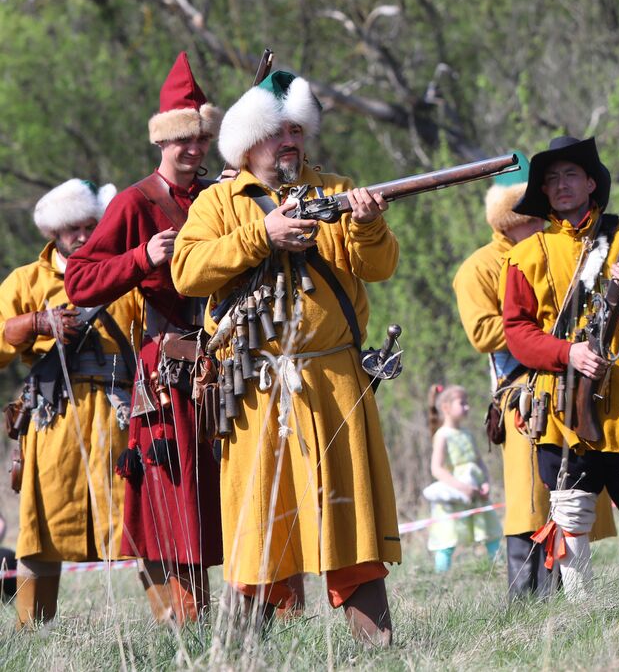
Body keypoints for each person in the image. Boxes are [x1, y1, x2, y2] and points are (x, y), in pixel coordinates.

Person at [171, 70, 400, 644]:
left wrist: (370, 225)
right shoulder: (219, 204)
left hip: (336, 378)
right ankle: (238, 650)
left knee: (351, 516)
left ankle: (378, 646)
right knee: (257, 521)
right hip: (254, 385)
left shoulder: (340, 188)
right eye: (277, 131)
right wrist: (262, 235)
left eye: (296, 128)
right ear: (248, 143)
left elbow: (379, 267)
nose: (289, 139)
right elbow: (186, 273)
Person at [64, 52, 223, 623]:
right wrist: (139, 256)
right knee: (171, 492)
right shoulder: (135, 202)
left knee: (224, 489)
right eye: (185, 140)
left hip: (226, 362)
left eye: (202, 139)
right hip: (168, 369)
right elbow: (79, 278)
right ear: (163, 142)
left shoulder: (218, 195)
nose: (195, 150)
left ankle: (265, 616)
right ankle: (183, 622)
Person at [500, 136, 619, 598]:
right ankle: (581, 609)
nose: (560, 185)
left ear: (590, 183)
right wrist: (567, 354)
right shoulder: (526, 255)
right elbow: (517, 331)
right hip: (562, 405)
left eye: (569, 175)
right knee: (569, 510)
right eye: (551, 179)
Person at [452, 164, 617, 599]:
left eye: (536, 217)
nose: (535, 223)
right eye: (525, 218)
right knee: (530, 501)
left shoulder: (556, 250)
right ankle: (527, 599)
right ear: (508, 222)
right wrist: (539, 332)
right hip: (522, 393)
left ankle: (570, 593)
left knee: (569, 494)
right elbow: (483, 331)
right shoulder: (479, 268)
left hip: (570, 379)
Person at [0, 179, 141, 627]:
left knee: (142, 526)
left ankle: (182, 632)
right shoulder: (26, 281)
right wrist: (35, 322)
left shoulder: (128, 275)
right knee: (40, 534)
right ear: (54, 234)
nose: (83, 235)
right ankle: (31, 633)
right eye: (72, 228)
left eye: (90, 226)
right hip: (52, 421)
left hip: (120, 419)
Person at [423, 384, 503, 570]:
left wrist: (485, 483)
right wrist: (462, 487)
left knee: (489, 530)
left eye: (467, 403)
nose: (467, 407)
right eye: (462, 403)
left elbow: (479, 461)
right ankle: (441, 576)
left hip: (477, 493)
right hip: (455, 495)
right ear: (446, 408)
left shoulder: (467, 433)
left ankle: (498, 568)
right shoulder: (442, 435)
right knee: (448, 536)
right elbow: (437, 469)